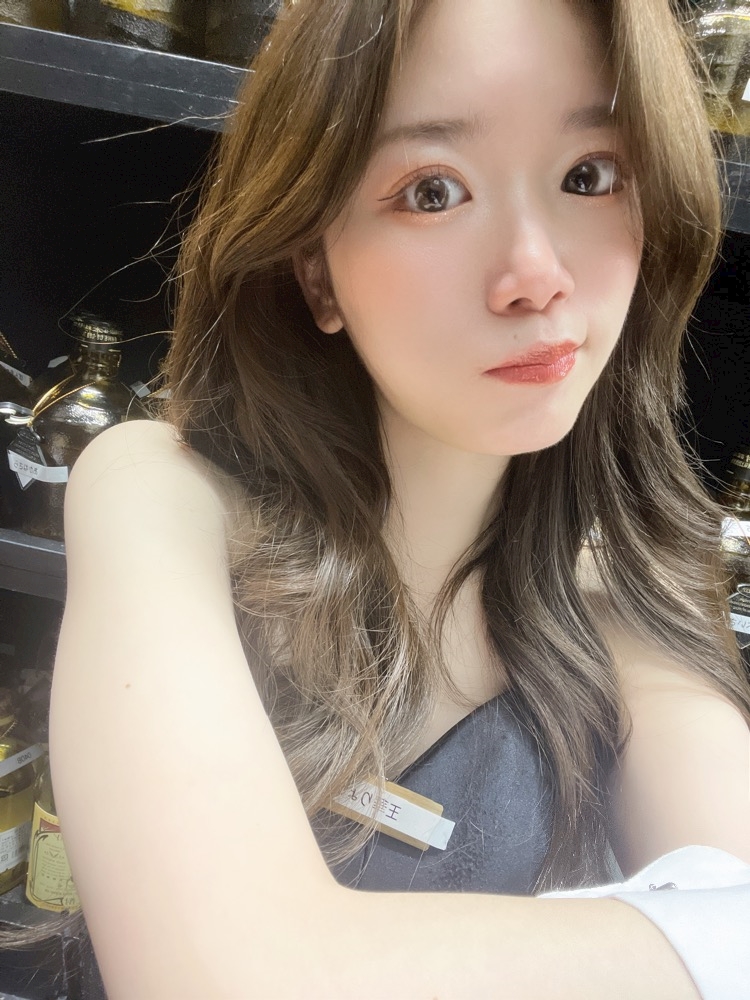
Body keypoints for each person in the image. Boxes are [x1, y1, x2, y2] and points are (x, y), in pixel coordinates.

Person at [45, 0, 750, 996]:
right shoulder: (161, 497)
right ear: (316, 270)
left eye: (589, 176)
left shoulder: (624, 600)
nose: (536, 276)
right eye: (434, 191)